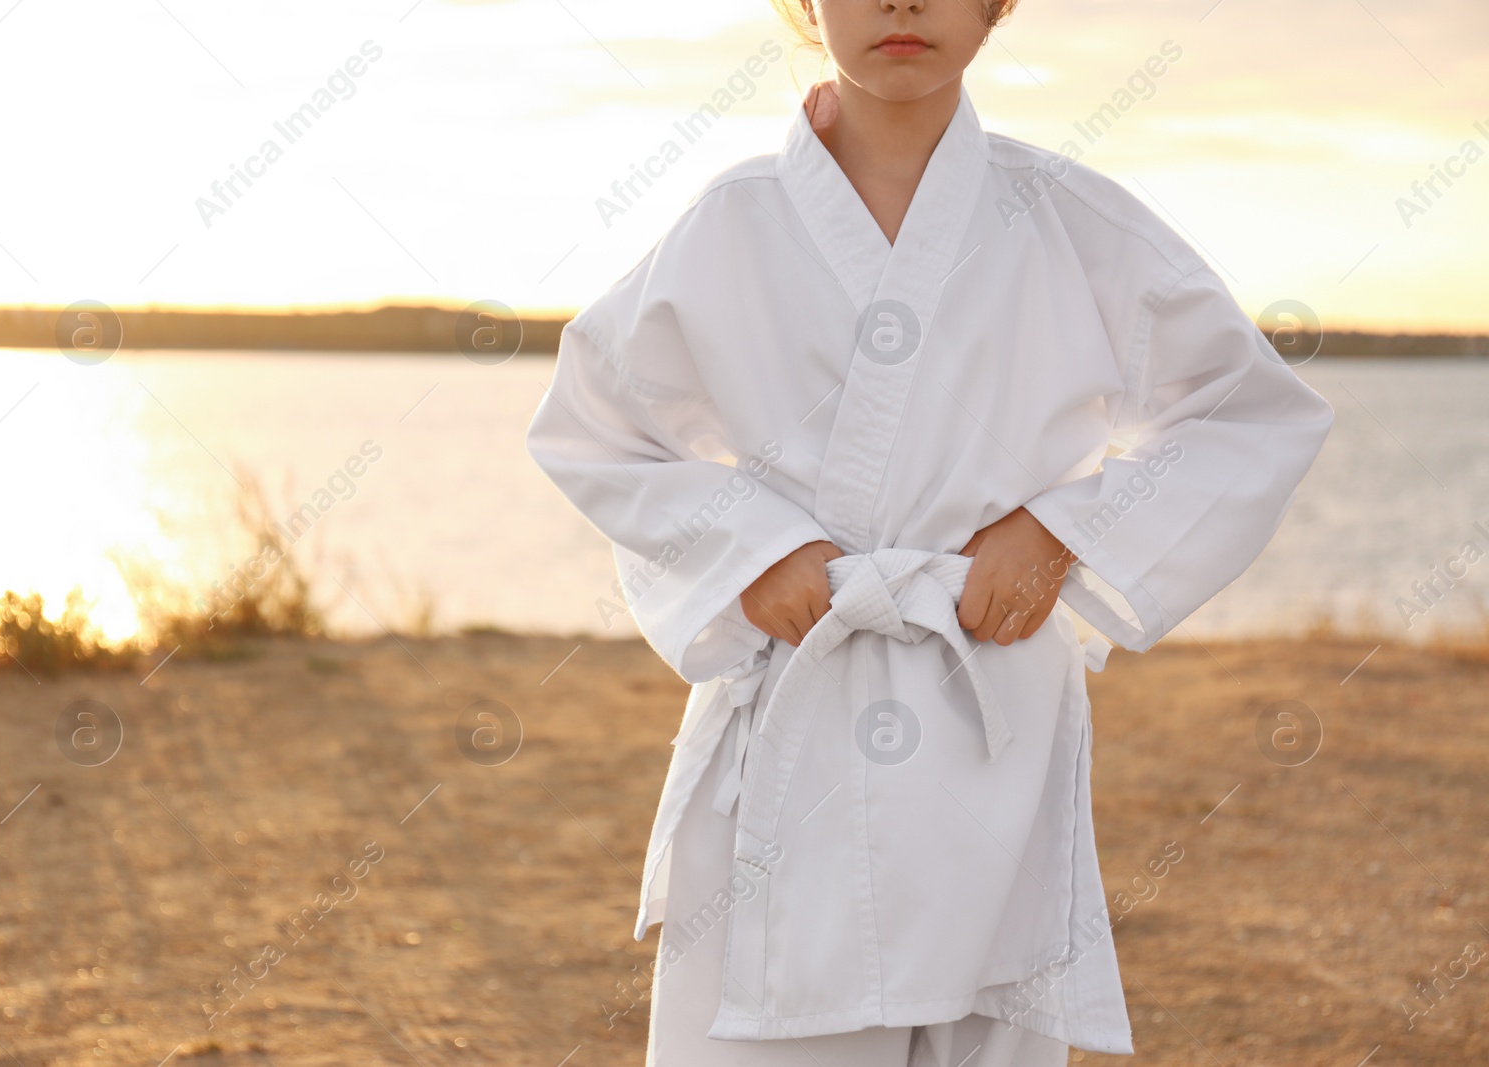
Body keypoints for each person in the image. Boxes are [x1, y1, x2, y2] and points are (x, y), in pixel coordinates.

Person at [526, 0, 1335, 1063]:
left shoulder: (1072, 219)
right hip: (794, 716)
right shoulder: (733, 223)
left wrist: (1060, 530)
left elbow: (1250, 412)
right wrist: (749, 546)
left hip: (987, 721)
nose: (900, 1)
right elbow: (594, 427)